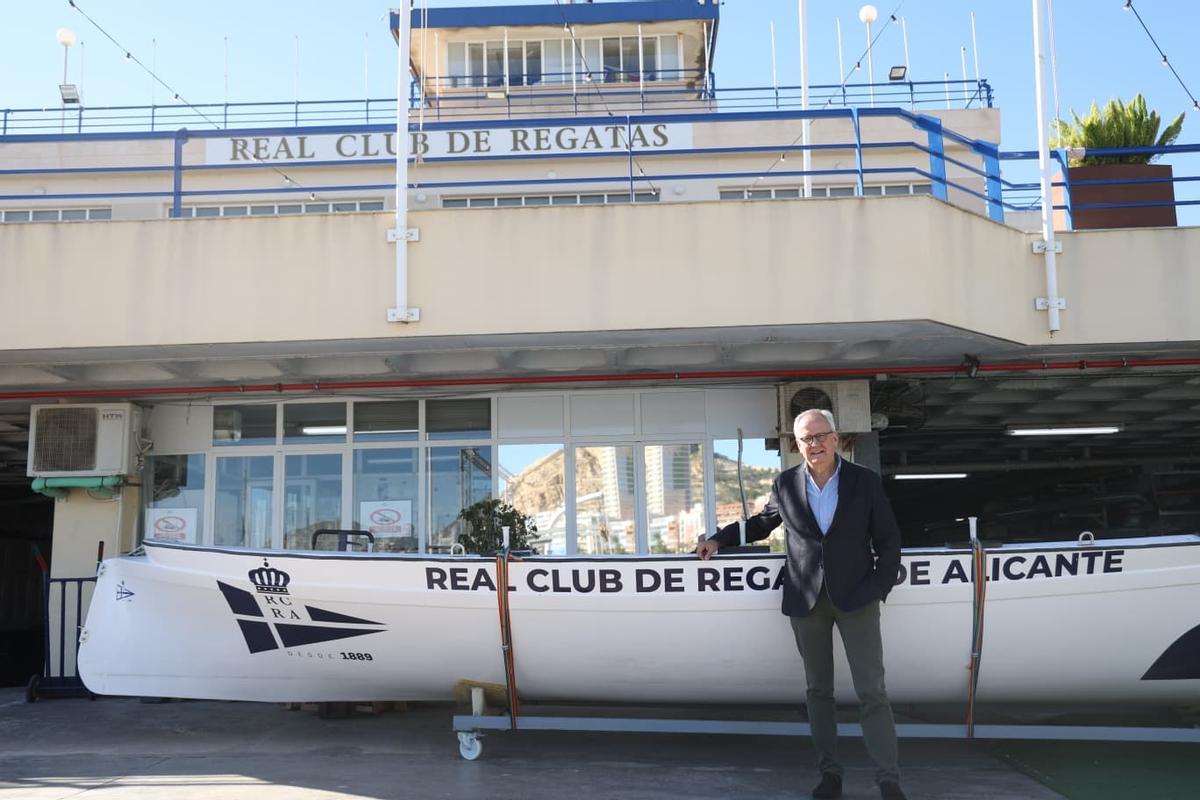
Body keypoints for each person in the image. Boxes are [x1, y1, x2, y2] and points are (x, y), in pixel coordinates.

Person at [697, 409, 905, 800]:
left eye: (821, 435)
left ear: (836, 437)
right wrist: (718, 540)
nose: (815, 444)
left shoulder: (865, 482)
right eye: (807, 439)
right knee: (818, 692)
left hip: (858, 598)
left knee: (872, 690)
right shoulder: (786, 483)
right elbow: (762, 522)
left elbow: (889, 539)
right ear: (797, 445)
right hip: (806, 601)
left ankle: (888, 780)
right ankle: (830, 776)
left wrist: (879, 586)